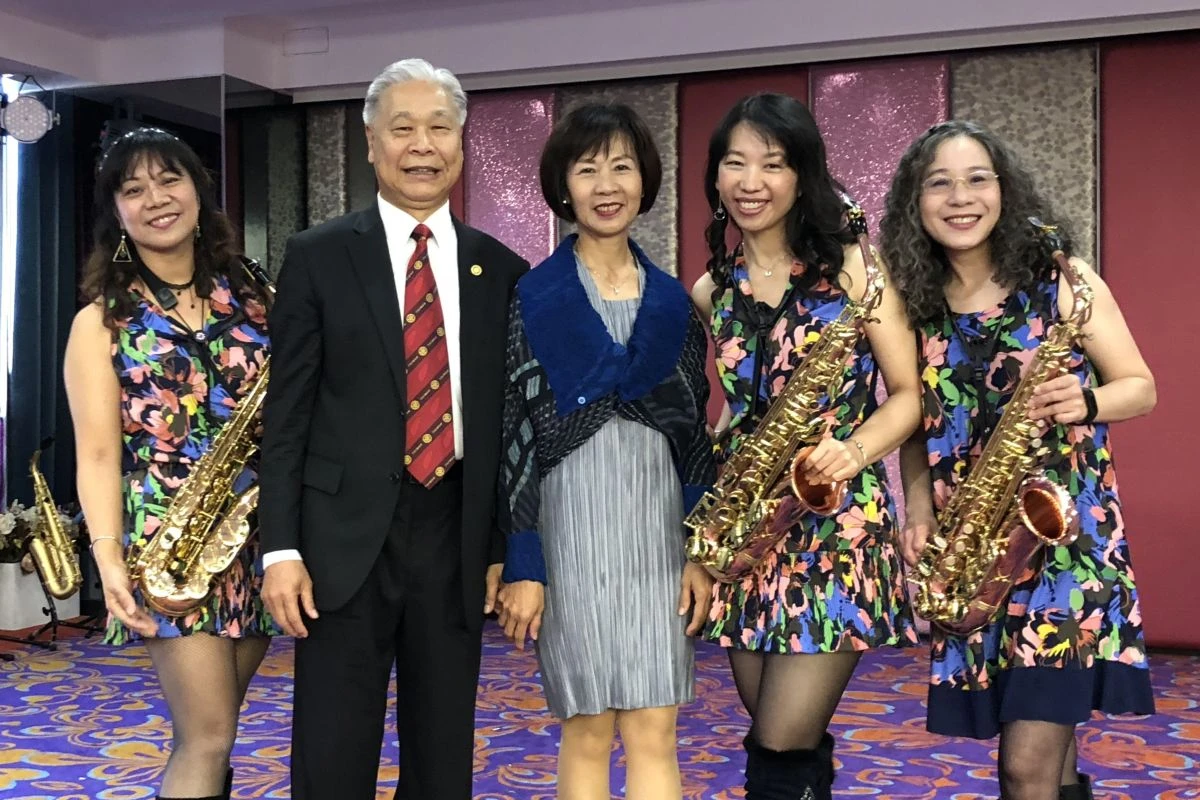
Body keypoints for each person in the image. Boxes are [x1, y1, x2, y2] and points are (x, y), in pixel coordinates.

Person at [256, 58, 529, 800]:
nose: (422, 145)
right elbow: (287, 416)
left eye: (440, 127)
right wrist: (280, 548)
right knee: (332, 756)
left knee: (443, 760)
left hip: (454, 535)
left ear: (461, 145)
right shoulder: (318, 256)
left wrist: (502, 547)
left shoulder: (501, 270)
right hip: (339, 543)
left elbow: (511, 429)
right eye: (402, 128)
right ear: (372, 143)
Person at [881, 120, 1157, 800]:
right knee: (1050, 764)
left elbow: (1141, 387)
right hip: (975, 547)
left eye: (977, 179)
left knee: (1025, 768)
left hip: (1064, 546)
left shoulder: (1063, 282)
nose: (960, 197)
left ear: (1004, 190)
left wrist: (1085, 400)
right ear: (915, 203)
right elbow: (915, 426)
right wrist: (917, 508)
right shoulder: (913, 304)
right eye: (939, 183)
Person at [690, 93, 922, 800]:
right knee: (780, 735)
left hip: (835, 526)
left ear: (802, 175)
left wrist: (853, 451)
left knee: (780, 739)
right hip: (750, 529)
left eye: (772, 163)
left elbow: (909, 394)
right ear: (715, 176)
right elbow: (734, 403)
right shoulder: (711, 289)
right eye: (734, 163)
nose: (750, 181)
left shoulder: (854, 271)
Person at [496, 103, 717, 800]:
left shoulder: (674, 304)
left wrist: (699, 552)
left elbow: (692, 437)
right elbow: (515, 437)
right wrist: (524, 563)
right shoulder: (534, 297)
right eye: (587, 169)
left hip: (658, 534)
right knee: (588, 728)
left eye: (621, 167)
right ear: (563, 186)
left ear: (644, 180)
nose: (606, 185)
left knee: (655, 728)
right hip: (570, 530)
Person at [63, 126, 277, 800]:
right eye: (133, 189)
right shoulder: (101, 322)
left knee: (220, 728)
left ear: (198, 190)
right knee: (207, 736)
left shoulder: (253, 296)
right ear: (116, 213)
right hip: (171, 541)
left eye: (169, 179)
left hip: (260, 532)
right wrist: (108, 558)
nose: (155, 199)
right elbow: (98, 454)